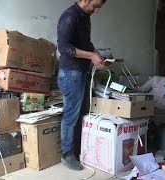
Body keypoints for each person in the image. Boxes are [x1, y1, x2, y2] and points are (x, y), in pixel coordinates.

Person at [57, 0, 107, 170]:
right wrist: (91, 56)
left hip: (81, 73)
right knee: (71, 117)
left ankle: (78, 151)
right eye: (95, 6)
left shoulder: (85, 17)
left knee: (81, 115)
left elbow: (86, 44)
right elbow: (64, 48)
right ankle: (67, 155)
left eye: (100, 7)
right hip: (70, 74)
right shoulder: (70, 16)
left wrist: (97, 55)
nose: (97, 10)